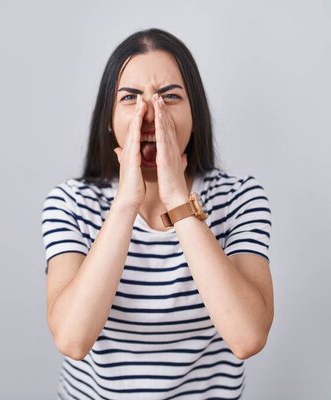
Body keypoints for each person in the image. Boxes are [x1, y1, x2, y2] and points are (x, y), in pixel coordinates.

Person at [41, 28, 274, 400]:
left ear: (195, 114)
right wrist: (126, 203)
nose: (150, 114)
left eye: (169, 96)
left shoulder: (239, 197)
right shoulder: (71, 203)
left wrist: (176, 198)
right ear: (108, 118)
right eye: (131, 98)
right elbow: (72, 338)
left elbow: (248, 337)